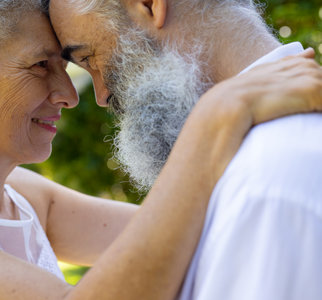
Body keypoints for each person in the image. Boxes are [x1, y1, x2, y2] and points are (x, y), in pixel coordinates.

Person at [0, 1, 320, 299]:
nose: (70, 93)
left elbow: (190, 234)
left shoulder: (28, 197)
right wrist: (218, 114)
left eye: (69, 66)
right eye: (39, 66)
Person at [46, 0, 322, 299]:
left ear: (150, 5)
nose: (102, 95)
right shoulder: (252, 166)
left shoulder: (264, 187)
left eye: (89, 58)